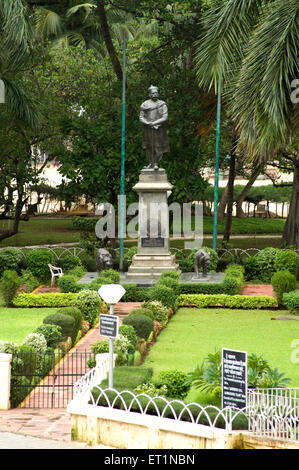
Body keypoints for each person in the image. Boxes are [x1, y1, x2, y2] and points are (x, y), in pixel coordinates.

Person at [139, 85, 170, 170]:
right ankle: (151, 163)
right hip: (148, 129)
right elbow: (141, 117)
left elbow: (165, 117)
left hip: (159, 129)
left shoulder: (162, 104)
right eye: (153, 93)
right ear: (149, 94)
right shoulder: (145, 104)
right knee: (149, 146)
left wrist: (154, 123)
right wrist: (147, 123)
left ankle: (156, 163)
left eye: (156, 93)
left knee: (158, 146)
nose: (155, 94)